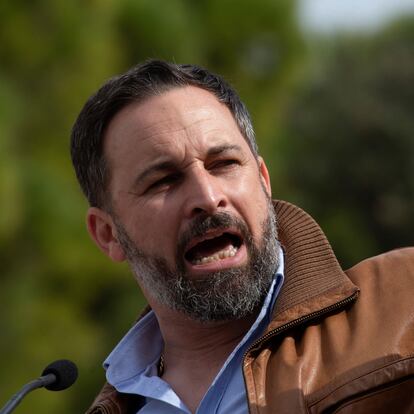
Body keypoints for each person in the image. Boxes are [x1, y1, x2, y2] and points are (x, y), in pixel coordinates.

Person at [70, 60, 414, 414]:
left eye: (224, 164)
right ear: (108, 234)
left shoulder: (404, 301)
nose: (207, 197)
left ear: (263, 180)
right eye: (163, 181)